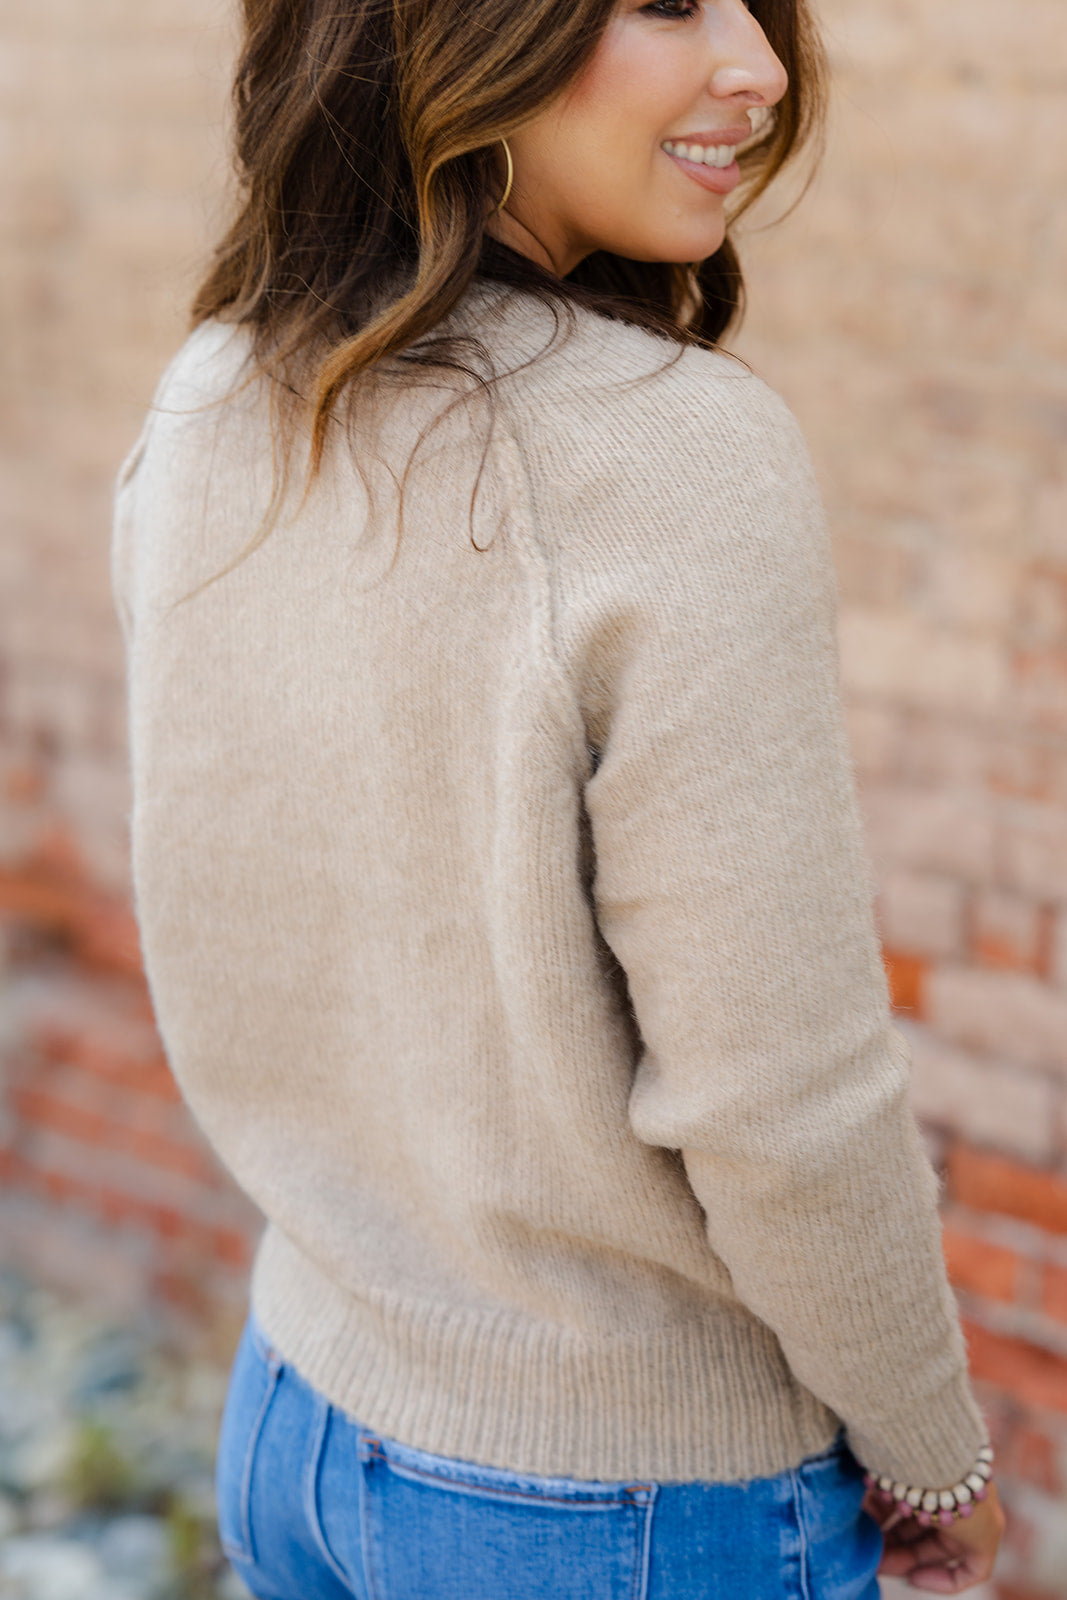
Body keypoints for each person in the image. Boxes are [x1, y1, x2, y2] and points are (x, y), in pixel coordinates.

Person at [112, 0, 1005, 1594]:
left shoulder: (211, 394)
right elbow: (780, 1102)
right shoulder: (676, 457)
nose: (761, 66)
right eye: (663, 2)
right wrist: (935, 1447)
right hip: (619, 1500)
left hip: (299, 1413)